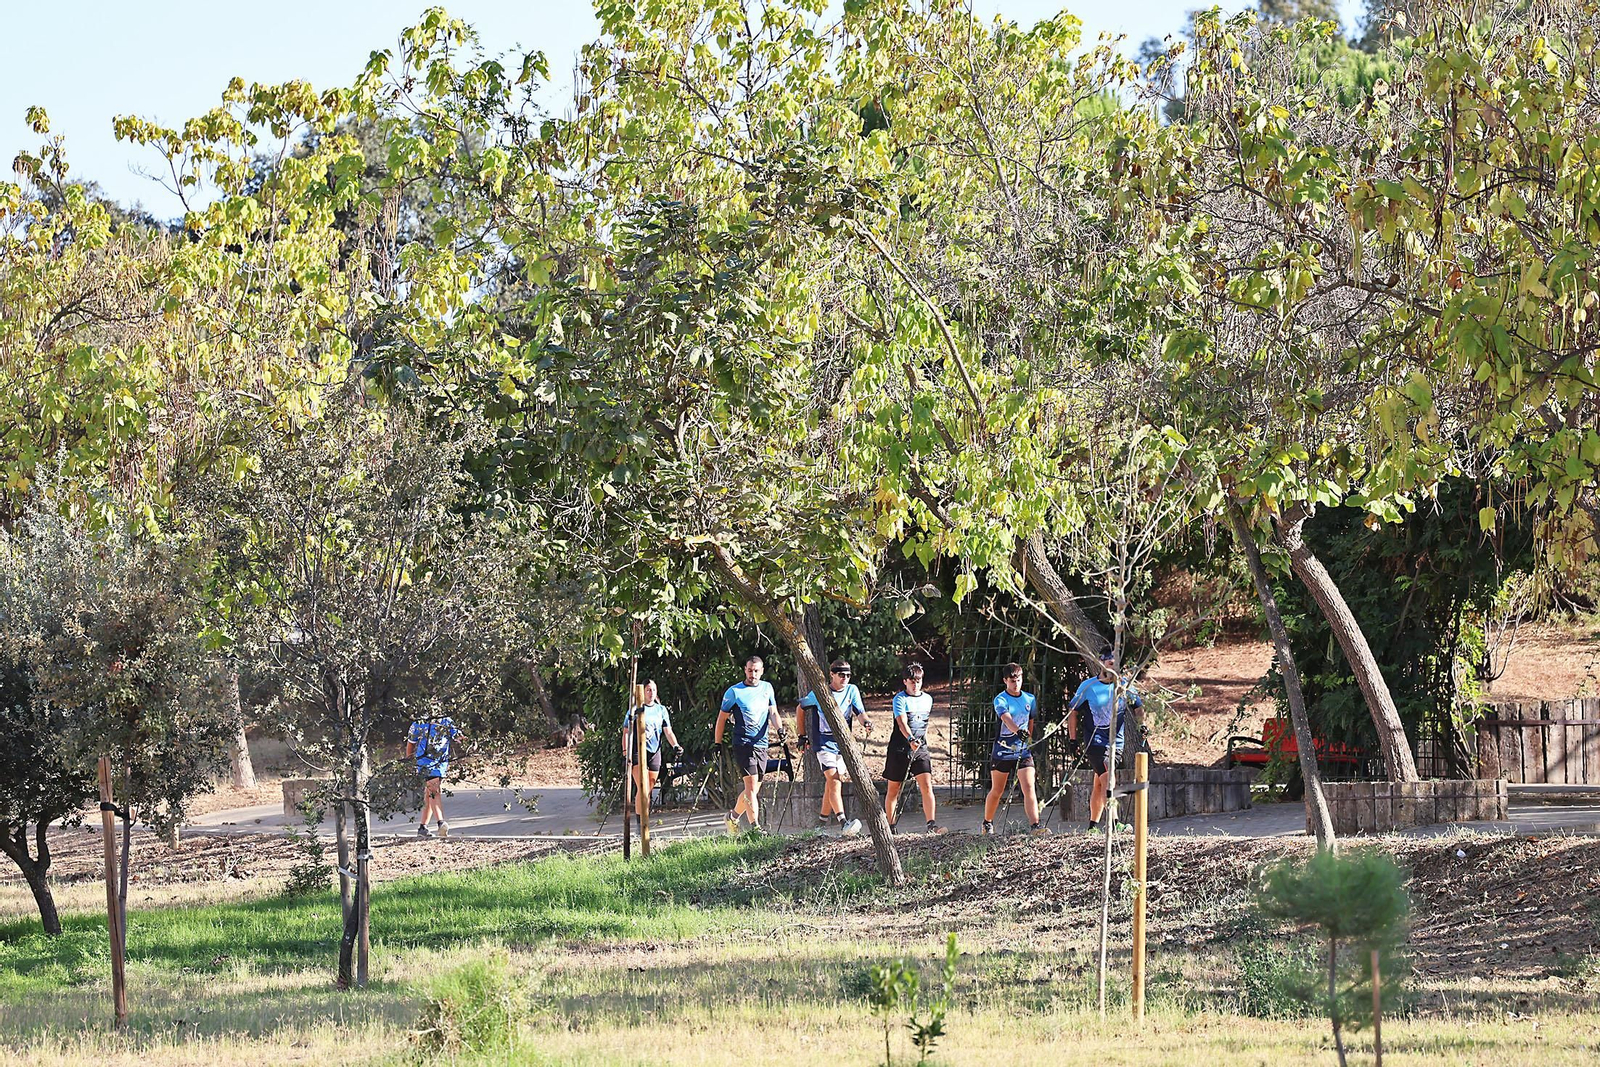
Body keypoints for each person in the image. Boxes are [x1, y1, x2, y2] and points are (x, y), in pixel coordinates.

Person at [1067, 648, 1144, 833]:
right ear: (1101, 663)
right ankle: (1114, 823)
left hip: (1116, 742)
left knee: (1099, 783)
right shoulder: (1088, 686)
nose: (1111, 666)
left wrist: (1142, 725)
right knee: (1109, 779)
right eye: (1108, 662)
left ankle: (1092, 826)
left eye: (1115, 663)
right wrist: (1073, 740)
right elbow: (1073, 712)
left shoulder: (1125, 686)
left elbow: (1138, 707)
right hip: (1095, 742)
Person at [796, 659, 870, 836]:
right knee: (834, 780)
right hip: (823, 743)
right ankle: (843, 822)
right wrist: (802, 735)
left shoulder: (852, 690)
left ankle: (820, 823)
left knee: (833, 784)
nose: (845, 678)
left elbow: (859, 712)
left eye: (848, 675)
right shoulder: (821, 692)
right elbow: (800, 708)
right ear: (832, 674)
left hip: (843, 744)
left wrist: (866, 722)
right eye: (841, 675)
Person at [982, 663, 1048, 836]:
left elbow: (1031, 720)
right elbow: (1006, 718)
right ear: (1005, 681)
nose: (1015, 684)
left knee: (1029, 787)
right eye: (1012, 681)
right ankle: (987, 823)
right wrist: (1018, 731)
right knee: (997, 790)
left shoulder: (1029, 699)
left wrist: (1028, 738)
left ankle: (1035, 826)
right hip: (1003, 751)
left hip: (1023, 751)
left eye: (1018, 680)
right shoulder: (1000, 699)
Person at [716, 654, 779, 833]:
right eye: (750, 670)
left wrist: (780, 730)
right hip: (743, 744)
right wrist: (717, 743)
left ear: (762, 671)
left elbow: (773, 712)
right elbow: (722, 718)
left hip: (762, 744)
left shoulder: (767, 688)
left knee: (753, 789)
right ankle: (755, 828)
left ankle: (732, 817)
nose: (752, 674)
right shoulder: (734, 692)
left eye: (756, 671)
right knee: (751, 787)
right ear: (745, 670)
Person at [883, 662, 946, 835]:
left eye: (918, 681)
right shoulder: (900, 699)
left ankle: (931, 824)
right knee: (894, 789)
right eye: (912, 681)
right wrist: (910, 739)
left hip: (920, 750)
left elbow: (923, 724)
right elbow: (902, 722)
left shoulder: (928, 699)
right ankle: (891, 826)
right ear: (905, 681)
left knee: (927, 786)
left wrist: (919, 742)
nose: (915, 684)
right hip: (900, 749)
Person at [623, 680, 682, 816]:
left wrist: (676, 745)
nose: (651, 693)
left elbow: (668, 731)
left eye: (654, 690)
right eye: (648, 690)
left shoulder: (661, 710)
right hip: (637, 752)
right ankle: (640, 823)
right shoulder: (634, 709)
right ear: (643, 692)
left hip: (654, 752)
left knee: (648, 789)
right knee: (642, 788)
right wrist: (626, 752)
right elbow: (626, 731)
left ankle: (645, 822)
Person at [406, 712, 463, 839]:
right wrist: (409, 760)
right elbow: (411, 742)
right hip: (424, 761)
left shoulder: (446, 721)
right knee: (433, 790)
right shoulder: (419, 723)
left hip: (440, 762)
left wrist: (462, 738)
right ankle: (441, 822)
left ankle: (422, 827)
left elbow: (456, 735)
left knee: (429, 792)